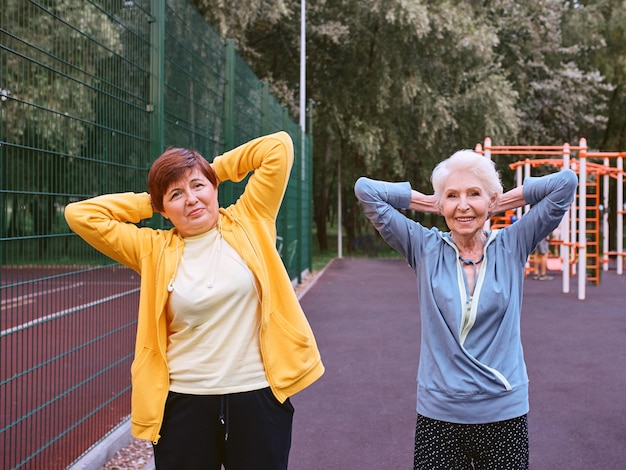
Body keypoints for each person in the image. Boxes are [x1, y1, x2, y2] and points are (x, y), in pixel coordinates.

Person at [65, 131, 324, 469]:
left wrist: (210, 169)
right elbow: (80, 215)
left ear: (214, 188)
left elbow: (278, 147)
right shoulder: (152, 249)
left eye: (199, 186)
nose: (191, 199)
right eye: (176, 194)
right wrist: (151, 201)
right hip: (184, 404)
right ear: (164, 208)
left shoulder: (251, 219)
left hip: (257, 396)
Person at [354, 150, 577, 470]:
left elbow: (565, 183)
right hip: (439, 417)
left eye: (474, 194)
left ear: (491, 200)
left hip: (505, 415)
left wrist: (497, 201)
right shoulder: (424, 246)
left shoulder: (513, 244)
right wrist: (432, 202)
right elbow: (367, 190)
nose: (462, 205)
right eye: (453, 196)